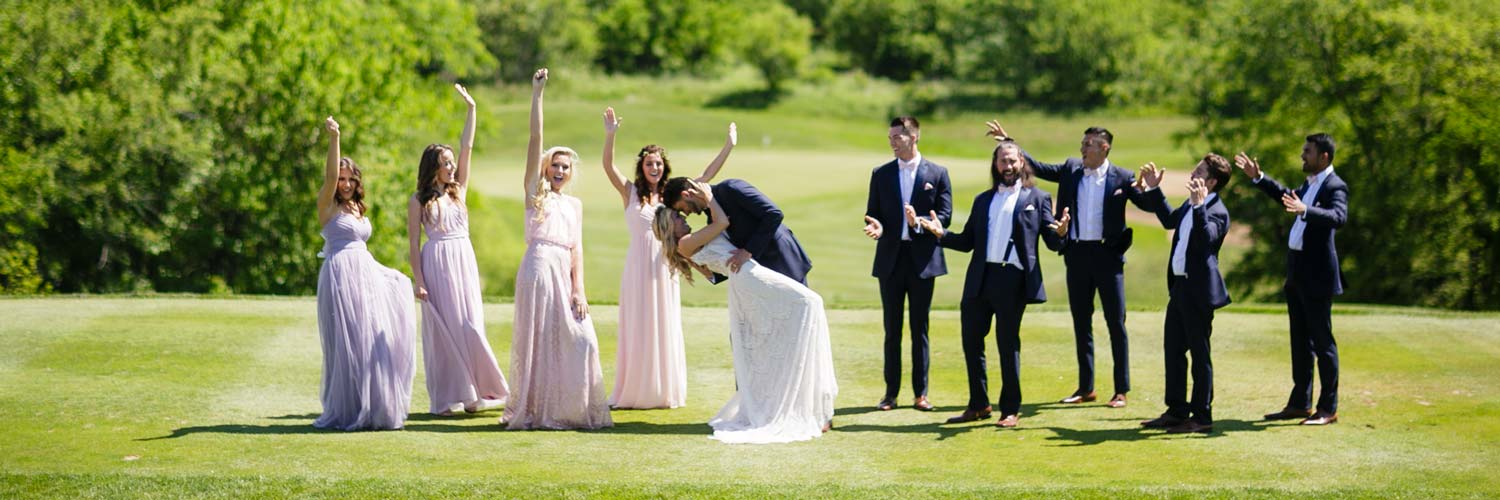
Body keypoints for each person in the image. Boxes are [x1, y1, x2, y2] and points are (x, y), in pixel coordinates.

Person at [653, 184, 837, 443]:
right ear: (668, 228)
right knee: (800, 312)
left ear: (686, 194)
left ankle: (808, 406)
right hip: (749, 278)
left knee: (800, 317)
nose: (685, 217)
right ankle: (773, 407)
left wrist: (727, 146)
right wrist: (710, 200)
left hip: (768, 265)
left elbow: (772, 215)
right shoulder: (690, 237)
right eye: (678, 217)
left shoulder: (729, 191)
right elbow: (723, 224)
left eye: (681, 212)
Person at [987, 121, 1154, 408]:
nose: (1082, 148)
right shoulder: (1070, 169)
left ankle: (1120, 389)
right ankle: (1086, 387)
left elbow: (1149, 206)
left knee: (1116, 322)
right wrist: (1010, 141)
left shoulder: (1122, 178)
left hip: (1108, 256)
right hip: (1076, 255)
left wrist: (1151, 190)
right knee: (1081, 322)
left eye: (1089, 144)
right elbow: (1036, 166)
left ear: (1105, 147)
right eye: (1082, 143)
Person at [917, 139, 1066, 429]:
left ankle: (1010, 409)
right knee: (971, 343)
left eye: (1012, 160)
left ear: (1022, 162)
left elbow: (1051, 241)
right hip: (979, 278)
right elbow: (967, 241)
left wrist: (1061, 232)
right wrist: (940, 234)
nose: (1008, 166)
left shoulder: (1038, 198)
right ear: (995, 164)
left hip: (1013, 280)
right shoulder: (983, 199)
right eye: (1002, 161)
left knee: (1007, 345)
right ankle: (978, 404)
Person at [599, 107, 736, 409]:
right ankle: (635, 390)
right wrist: (610, 135)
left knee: (663, 322)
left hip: (664, 267)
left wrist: (728, 145)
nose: (655, 168)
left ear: (665, 167)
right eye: (650, 163)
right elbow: (608, 166)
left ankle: (662, 391)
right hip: (636, 266)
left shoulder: (673, 196)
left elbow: (707, 176)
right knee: (637, 324)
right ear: (642, 166)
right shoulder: (630, 192)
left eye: (659, 163)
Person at [503, 69, 612, 430]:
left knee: (581, 340)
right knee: (538, 341)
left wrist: (579, 288)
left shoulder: (575, 205)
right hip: (537, 267)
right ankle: (536, 410)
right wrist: (537, 95)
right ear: (546, 169)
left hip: (563, 271)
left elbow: (577, 248)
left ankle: (571, 409)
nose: (560, 171)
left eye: (565, 167)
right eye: (555, 166)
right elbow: (536, 139)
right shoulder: (536, 194)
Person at [407, 84, 509, 416]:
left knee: (470, 323)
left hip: (463, 258)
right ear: (433, 166)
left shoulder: (458, 190)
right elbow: (413, 243)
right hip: (436, 261)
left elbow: (468, 145)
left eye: (452, 162)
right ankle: (455, 395)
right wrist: (418, 280)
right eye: (446, 163)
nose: (452, 167)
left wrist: (471, 109)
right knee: (446, 328)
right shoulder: (419, 200)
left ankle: (484, 388)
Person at [1235, 134, 1348, 426]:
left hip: (1318, 276)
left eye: (1307, 152)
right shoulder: (1309, 185)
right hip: (1297, 273)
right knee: (1300, 341)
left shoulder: (1335, 186)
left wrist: (1306, 210)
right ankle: (1300, 403)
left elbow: (1338, 217)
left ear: (1324, 157)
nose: (1302, 156)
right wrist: (1259, 178)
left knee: (1323, 343)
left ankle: (1328, 408)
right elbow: (1287, 197)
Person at [313, 116, 416, 431]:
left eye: (350, 179)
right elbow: (329, 176)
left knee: (371, 338)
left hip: (365, 274)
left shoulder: (358, 209)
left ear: (357, 182)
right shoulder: (327, 207)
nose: (344, 184)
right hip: (340, 276)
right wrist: (335, 138)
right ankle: (346, 410)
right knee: (345, 345)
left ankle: (375, 405)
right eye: (341, 179)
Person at [1134, 155, 1233, 434]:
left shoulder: (1217, 211)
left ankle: (1202, 417)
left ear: (1212, 181)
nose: (1193, 172)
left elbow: (1205, 241)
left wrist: (1200, 206)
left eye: (1200, 170)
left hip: (1199, 292)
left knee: (1200, 355)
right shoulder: (1191, 205)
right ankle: (1177, 411)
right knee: (1174, 350)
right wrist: (1153, 189)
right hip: (1179, 288)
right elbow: (1168, 220)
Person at [862, 116, 952, 412]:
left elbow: (945, 216)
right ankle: (890, 394)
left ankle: (920, 394)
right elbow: (872, 213)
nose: (891, 143)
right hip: (890, 259)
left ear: (913, 137)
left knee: (919, 328)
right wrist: (877, 227)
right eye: (890, 138)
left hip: (923, 261)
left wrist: (921, 222)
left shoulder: (937, 173)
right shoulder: (881, 173)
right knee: (892, 329)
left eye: (896, 138)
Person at [661, 177, 811, 285]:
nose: (686, 214)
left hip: (782, 259)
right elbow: (729, 257)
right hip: (761, 276)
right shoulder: (712, 219)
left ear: (686, 195)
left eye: (682, 208)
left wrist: (748, 251)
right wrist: (709, 273)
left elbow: (773, 214)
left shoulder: (731, 188)